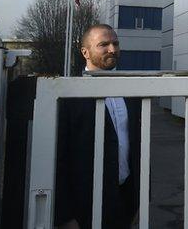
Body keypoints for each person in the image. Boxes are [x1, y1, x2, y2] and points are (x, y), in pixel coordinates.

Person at [55, 23, 142, 229]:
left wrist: (140, 199)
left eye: (115, 43)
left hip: (125, 200)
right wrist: (64, 215)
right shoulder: (69, 95)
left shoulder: (132, 92)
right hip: (85, 205)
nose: (112, 49)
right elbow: (59, 156)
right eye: (104, 44)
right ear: (85, 52)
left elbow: (139, 147)